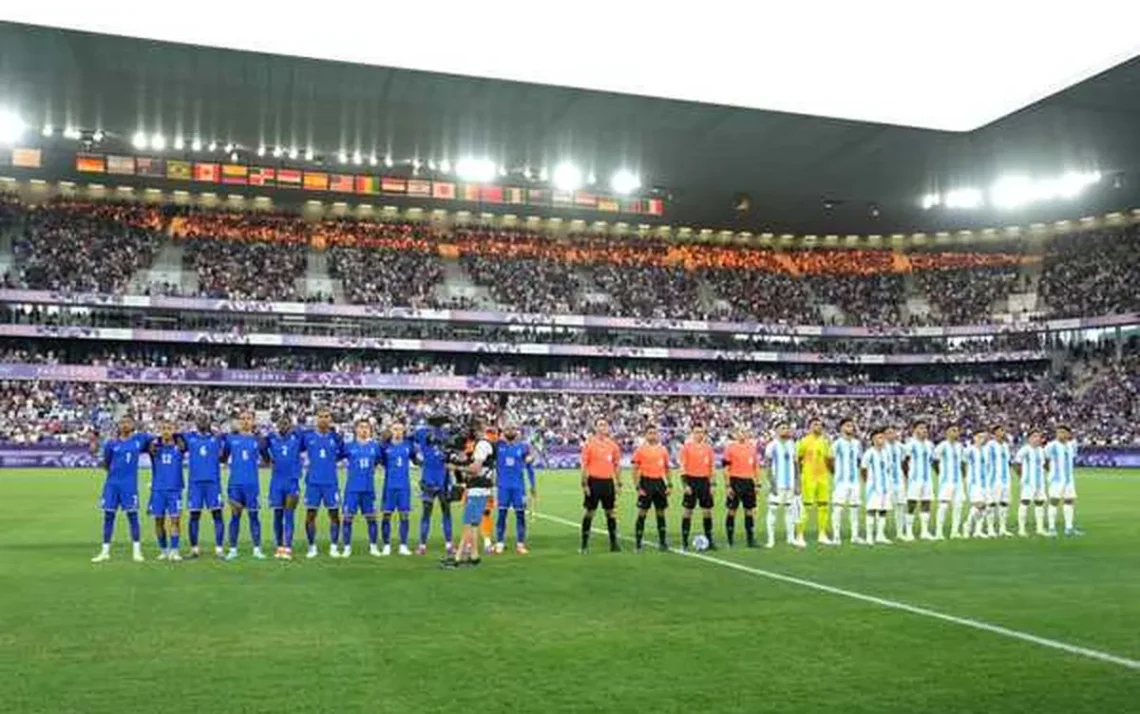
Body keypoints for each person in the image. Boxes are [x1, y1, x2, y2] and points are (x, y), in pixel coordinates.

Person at [91, 415, 151, 563]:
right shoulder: (111, 443)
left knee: (132, 517)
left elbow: (156, 442)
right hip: (112, 485)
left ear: (133, 425)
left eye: (127, 422)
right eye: (122, 423)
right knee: (108, 517)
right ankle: (105, 552)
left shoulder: (140, 439)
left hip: (129, 486)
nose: (124, 425)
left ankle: (137, 551)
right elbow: (106, 463)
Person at [442, 419, 495, 568]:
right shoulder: (480, 445)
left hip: (479, 487)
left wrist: (456, 467)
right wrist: (458, 461)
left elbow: (475, 469)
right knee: (472, 523)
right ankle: (474, 556)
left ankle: (458, 558)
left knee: (469, 522)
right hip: (477, 487)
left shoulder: (482, 445)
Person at [221, 411, 265, 560]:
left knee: (254, 516)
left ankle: (257, 549)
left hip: (252, 484)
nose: (246, 421)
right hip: (235, 484)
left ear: (253, 421)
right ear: (239, 422)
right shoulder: (231, 439)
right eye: (243, 419)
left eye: (248, 419)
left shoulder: (258, 440)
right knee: (235, 517)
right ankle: (233, 549)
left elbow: (266, 459)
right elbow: (223, 458)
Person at [300, 409, 344, 558]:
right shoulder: (308, 437)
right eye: (320, 416)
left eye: (326, 416)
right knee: (310, 514)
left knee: (334, 515)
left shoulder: (336, 437)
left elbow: (342, 454)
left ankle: (333, 546)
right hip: (313, 482)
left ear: (330, 419)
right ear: (315, 419)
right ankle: (312, 546)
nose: (324, 419)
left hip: (331, 482)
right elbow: (295, 449)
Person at [182, 414, 226, 558]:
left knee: (217, 515)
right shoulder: (189, 437)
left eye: (205, 419)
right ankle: (194, 549)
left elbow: (229, 437)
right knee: (194, 515)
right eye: (199, 419)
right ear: (195, 422)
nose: (202, 422)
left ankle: (219, 549)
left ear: (209, 422)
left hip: (213, 482)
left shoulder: (217, 437)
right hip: (195, 483)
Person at [340, 419, 384, 557]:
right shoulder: (348, 446)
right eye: (361, 427)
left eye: (367, 427)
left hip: (368, 489)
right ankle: (347, 547)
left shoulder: (375, 447)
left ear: (370, 430)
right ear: (356, 430)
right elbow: (336, 457)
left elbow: (379, 461)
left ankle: (373, 546)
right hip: (352, 488)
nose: (364, 430)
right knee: (347, 518)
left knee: (371, 518)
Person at [579, 417, 622, 554]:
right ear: (596, 428)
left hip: (608, 482)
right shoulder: (589, 444)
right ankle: (584, 545)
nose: (603, 427)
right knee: (590, 512)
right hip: (593, 481)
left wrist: (618, 483)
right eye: (600, 425)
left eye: (605, 425)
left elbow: (616, 465)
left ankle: (613, 543)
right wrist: (584, 484)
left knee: (611, 512)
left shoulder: (613, 445)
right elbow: (584, 465)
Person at [262, 414, 303, 559]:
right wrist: (268, 459)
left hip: (292, 481)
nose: (284, 426)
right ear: (277, 425)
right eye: (281, 423)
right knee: (277, 515)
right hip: (277, 482)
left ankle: (288, 547)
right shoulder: (272, 438)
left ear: (291, 425)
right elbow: (261, 446)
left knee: (289, 514)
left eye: (287, 423)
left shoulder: (297, 437)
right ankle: (279, 546)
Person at [147, 419, 185, 561]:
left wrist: (177, 436)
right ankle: (163, 550)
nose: (166, 431)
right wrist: (156, 440)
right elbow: (149, 444)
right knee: (159, 521)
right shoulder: (154, 448)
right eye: (163, 428)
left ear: (174, 429)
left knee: (175, 520)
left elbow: (183, 437)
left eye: (169, 428)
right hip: (158, 490)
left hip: (175, 489)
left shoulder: (180, 446)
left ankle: (174, 551)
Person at [414, 420, 453, 555]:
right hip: (429, 480)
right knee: (427, 513)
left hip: (443, 479)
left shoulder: (447, 436)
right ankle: (423, 544)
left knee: (446, 512)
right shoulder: (424, 435)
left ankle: (448, 544)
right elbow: (412, 436)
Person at [631, 426, 672, 552]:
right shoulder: (640, 450)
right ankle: (638, 544)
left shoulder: (663, 450)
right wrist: (638, 486)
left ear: (658, 435)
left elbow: (667, 468)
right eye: (650, 433)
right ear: (646, 435)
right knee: (642, 512)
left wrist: (669, 484)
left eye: (654, 433)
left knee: (661, 512)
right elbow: (635, 469)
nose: (652, 435)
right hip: (646, 482)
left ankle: (662, 542)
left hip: (659, 483)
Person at [379, 421, 417, 556]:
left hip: (404, 486)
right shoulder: (385, 447)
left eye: (400, 429)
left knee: (404, 515)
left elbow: (415, 459)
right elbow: (381, 462)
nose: (398, 432)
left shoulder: (409, 446)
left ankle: (403, 545)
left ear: (404, 431)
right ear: (391, 430)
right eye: (395, 429)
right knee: (386, 515)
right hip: (389, 485)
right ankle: (386, 545)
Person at [494, 424, 532, 554]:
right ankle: (499, 542)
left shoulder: (522, 447)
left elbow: (529, 464)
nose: (510, 431)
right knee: (501, 515)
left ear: (516, 432)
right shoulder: (498, 446)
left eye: (512, 429)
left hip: (518, 488)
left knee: (520, 516)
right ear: (503, 432)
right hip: (503, 487)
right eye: (507, 429)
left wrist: (533, 486)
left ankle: (520, 544)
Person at [764, 421, 802, 549]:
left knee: (790, 510)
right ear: (776, 431)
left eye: (787, 428)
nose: (786, 430)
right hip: (778, 484)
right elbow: (768, 466)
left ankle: (790, 538)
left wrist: (797, 483)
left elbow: (796, 465)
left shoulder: (793, 445)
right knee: (773, 509)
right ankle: (770, 540)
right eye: (782, 428)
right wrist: (772, 482)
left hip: (790, 484)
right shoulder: (772, 446)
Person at [679, 424, 717, 551]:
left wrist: (712, 484)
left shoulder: (708, 449)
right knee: (688, 511)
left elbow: (712, 468)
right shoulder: (686, 448)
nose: (699, 434)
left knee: (707, 511)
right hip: (691, 480)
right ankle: (684, 541)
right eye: (696, 432)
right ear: (692, 433)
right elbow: (682, 467)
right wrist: (685, 484)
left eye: (701, 432)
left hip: (704, 481)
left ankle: (710, 540)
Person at [722, 425, 761, 548]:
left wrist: (757, 484)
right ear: (735, 434)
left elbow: (756, 467)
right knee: (732, 510)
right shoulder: (730, 448)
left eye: (744, 432)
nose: (742, 434)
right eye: (740, 432)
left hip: (749, 482)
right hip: (735, 481)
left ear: (748, 434)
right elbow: (725, 468)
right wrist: (728, 486)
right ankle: (730, 540)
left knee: (749, 511)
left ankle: (750, 540)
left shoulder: (752, 448)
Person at [796, 418, 832, 545]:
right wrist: (799, 475)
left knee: (823, 506)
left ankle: (822, 534)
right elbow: (798, 459)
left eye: (820, 424)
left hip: (823, 478)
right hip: (808, 478)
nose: (818, 426)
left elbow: (828, 460)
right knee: (806, 506)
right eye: (815, 424)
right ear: (809, 427)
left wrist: (831, 472)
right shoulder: (804, 441)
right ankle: (799, 535)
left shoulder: (825, 442)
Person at [829, 418, 863, 545]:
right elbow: (830, 460)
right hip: (841, 481)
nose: (851, 428)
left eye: (852, 426)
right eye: (848, 426)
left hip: (854, 481)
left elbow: (859, 460)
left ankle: (855, 536)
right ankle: (836, 537)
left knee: (854, 508)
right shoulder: (837, 444)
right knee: (838, 508)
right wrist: (837, 473)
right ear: (842, 428)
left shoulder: (857, 443)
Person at [1045, 425, 1080, 536]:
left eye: (1063, 432)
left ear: (1068, 434)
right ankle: (1051, 528)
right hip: (1056, 480)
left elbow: (1072, 459)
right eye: (1059, 432)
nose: (1061, 434)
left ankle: (1068, 528)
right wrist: (1051, 473)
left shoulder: (1072, 445)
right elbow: (1044, 460)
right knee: (1054, 501)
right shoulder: (1051, 446)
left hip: (1069, 480)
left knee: (1069, 501)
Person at [903, 421, 936, 541]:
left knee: (926, 503)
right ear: (915, 430)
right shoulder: (910, 444)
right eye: (921, 428)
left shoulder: (930, 445)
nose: (924, 430)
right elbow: (904, 462)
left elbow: (933, 461)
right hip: (914, 479)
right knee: (912, 503)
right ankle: (908, 532)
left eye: (926, 428)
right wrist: (907, 476)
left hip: (927, 479)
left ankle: (924, 531)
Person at [860, 427, 892, 545]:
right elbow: (863, 469)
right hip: (873, 487)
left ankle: (880, 535)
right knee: (871, 510)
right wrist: (868, 482)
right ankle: (869, 536)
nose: (882, 440)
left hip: (885, 487)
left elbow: (888, 468)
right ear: (873, 439)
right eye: (879, 437)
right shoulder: (869, 453)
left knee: (883, 510)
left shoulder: (886, 453)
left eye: (883, 437)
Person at [1014, 430, 1049, 537]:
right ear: (1029, 438)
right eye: (1034, 436)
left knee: (1039, 503)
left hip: (1040, 482)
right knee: (1025, 502)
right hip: (1028, 482)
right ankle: (1021, 529)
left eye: (1039, 436)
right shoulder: (1024, 450)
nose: (1037, 439)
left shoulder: (1041, 450)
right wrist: (1022, 477)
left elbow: (1045, 464)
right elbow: (1016, 464)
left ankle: (1040, 528)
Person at [933, 424, 965, 540]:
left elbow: (962, 462)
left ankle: (955, 531)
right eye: (953, 430)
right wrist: (941, 474)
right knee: (943, 506)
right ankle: (939, 532)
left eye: (957, 430)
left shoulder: (960, 446)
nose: (956, 433)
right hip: (946, 481)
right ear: (947, 432)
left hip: (958, 482)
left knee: (958, 506)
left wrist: (963, 476)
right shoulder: (942, 446)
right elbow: (934, 461)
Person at [985, 425, 1013, 537]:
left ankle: (1002, 528)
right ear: (995, 432)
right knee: (992, 503)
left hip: (1006, 479)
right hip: (993, 479)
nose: (1003, 432)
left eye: (1004, 430)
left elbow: (1008, 461)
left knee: (1004, 503)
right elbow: (985, 462)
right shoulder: (990, 445)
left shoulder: (1006, 445)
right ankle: (990, 528)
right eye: (1001, 430)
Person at [963, 430, 990, 538]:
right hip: (974, 482)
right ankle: (967, 526)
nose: (982, 439)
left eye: (984, 437)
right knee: (978, 504)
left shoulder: (986, 451)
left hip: (985, 482)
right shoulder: (969, 450)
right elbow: (963, 464)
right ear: (974, 437)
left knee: (985, 506)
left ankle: (978, 530)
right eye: (979, 437)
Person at [885, 426, 908, 540]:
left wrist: (905, 476)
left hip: (899, 480)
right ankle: (880, 532)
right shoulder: (881, 447)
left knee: (900, 505)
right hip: (886, 481)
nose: (891, 435)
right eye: (888, 433)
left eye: (892, 432)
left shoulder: (901, 447)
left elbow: (904, 463)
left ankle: (900, 533)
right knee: (883, 506)